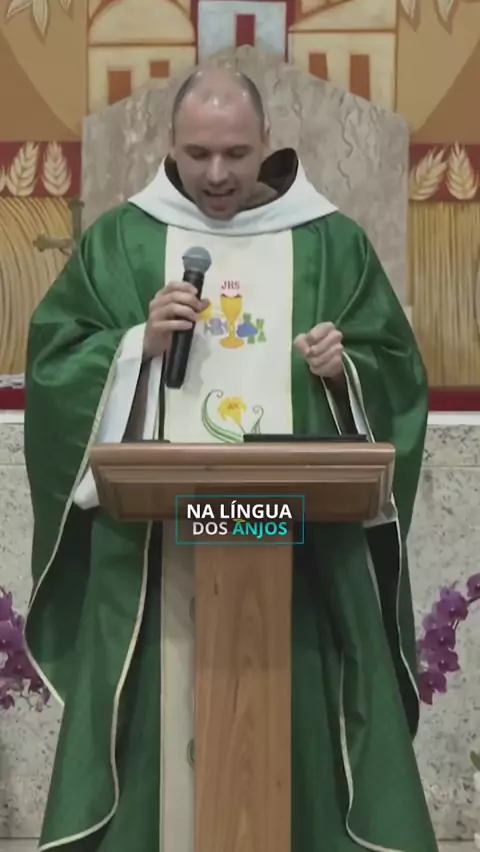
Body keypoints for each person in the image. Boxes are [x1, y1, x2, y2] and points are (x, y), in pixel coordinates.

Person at [24, 66, 438, 852]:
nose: (216, 174)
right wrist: (134, 348)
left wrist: (343, 371)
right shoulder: (124, 239)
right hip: (157, 546)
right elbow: (55, 366)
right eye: (198, 154)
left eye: (237, 154)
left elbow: (394, 368)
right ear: (170, 145)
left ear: (267, 143)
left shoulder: (330, 242)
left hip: (303, 552)